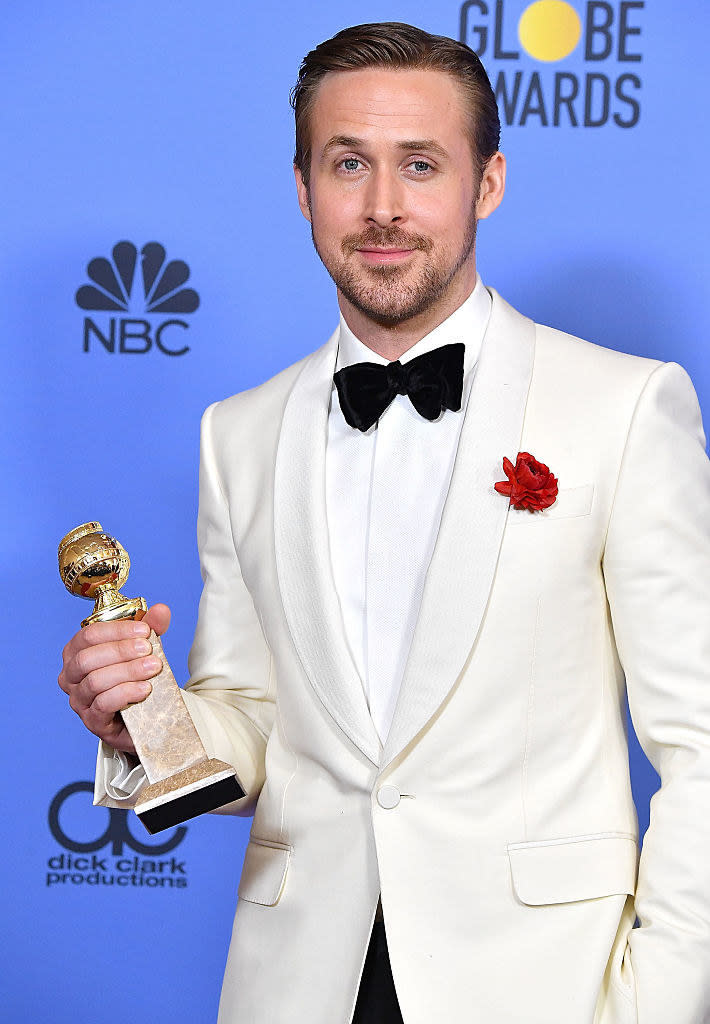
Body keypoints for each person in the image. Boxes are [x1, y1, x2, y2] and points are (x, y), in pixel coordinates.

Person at [57, 22, 710, 1024]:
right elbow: (258, 724)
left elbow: (697, 738)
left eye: (419, 164)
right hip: (298, 984)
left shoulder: (621, 407)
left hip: (542, 984)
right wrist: (145, 714)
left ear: (486, 182)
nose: (382, 207)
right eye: (347, 163)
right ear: (301, 185)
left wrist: (658, 1002)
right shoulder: (235, 434)